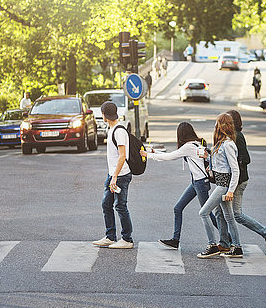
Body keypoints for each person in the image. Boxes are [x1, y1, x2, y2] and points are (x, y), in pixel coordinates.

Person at [139, 122, 230, 250]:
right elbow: (175, 153)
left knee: (207, 213)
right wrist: (155, 152)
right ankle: (175, 240)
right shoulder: (195, 144)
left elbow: (170, 157)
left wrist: (148, 155)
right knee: (178, 208)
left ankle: (227, 239)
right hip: (196, 182)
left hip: (200, 183)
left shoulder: (189, 147)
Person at [226, 110, 266, 254]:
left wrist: (233, 164)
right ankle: (226, 242)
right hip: (233, 181)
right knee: (222, 212)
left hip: (238, 181)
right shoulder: (231, 136)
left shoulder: (237, 136)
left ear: (233, 122)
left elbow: (246, 159)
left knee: (237, 215)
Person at [197, 113, 243, 258]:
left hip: (223, 186)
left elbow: (235, 169)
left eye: (218, 123)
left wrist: (231, 190)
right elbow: (221, 162)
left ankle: (212, 245)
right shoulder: (220, 143)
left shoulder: (229, 144)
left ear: (223, 126)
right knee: (228, 216)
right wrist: (208, 157)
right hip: (219, 183)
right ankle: (236, 247)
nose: (215, 126)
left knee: (204, 212)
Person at [93, 101, 134, 249]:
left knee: (120, 206)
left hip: (121, 175)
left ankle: (127, 239)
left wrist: (115, 177)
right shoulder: (112, 130)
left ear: (104, 114)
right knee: (106, 204)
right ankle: (110, 236)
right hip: (113, 174)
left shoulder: (119, 131)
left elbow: (122, 156)